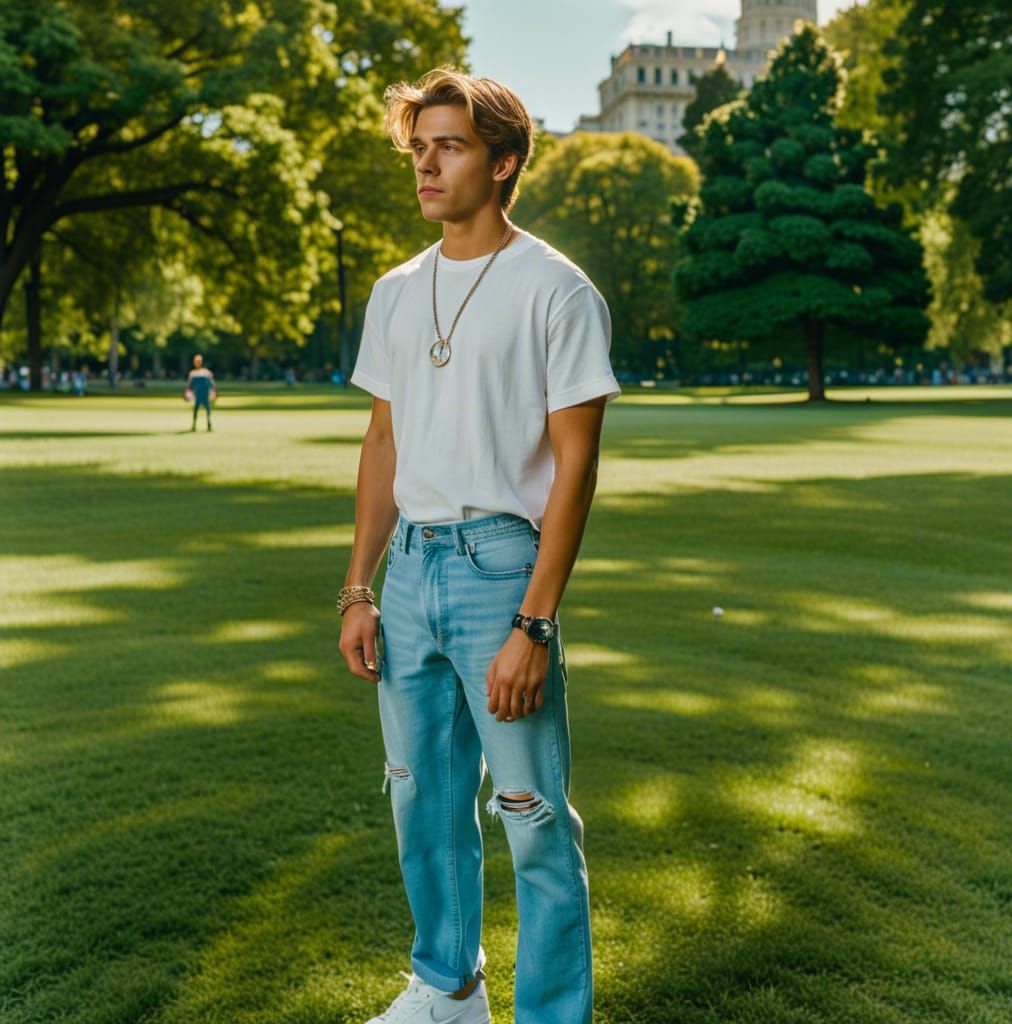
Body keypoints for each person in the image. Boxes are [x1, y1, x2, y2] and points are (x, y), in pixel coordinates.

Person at [337, 67, 620, 1024]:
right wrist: (357, 588)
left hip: (502, 571)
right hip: (407, 572)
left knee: (533, 819)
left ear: (502, 164)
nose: (425, 163)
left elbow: (576, 468)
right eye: (418, 146)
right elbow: (384, 441)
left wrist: (533, 623)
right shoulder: (395, 290)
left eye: (447, 145)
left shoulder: (556, 290)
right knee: (420, 804)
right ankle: (448, 989)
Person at [186, 354, 216, 431]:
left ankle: (209, 424)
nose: (198, 363)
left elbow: (213, 384)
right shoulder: (192, 373)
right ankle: (194, 425)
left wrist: (213, 393)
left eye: (199, 361)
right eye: (196, 361)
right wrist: (188, 394)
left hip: (205, 394)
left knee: (208, 409)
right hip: (198, 394)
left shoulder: (207, 372)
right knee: (196, 409)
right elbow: (189, 385)